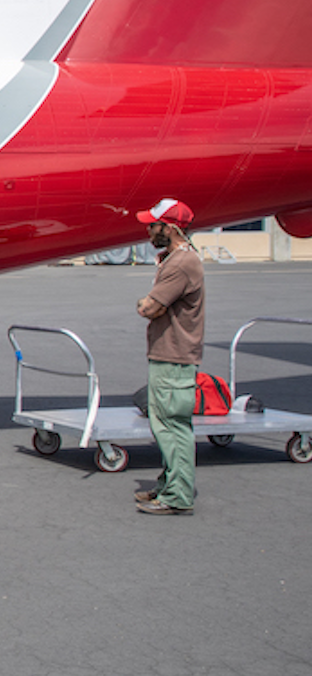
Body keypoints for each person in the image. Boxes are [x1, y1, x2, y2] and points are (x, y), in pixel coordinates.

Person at [133, 198, 206, 515]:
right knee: (165, 424)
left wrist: (144, 303)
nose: (148, 231)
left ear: (170, 227)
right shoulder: (175, 259)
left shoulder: (179, 264)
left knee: (172, 427)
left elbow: (150, 308)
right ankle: (167, 485)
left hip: (174, 355)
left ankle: (177, 496)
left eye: (153, 224)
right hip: (170, 352)